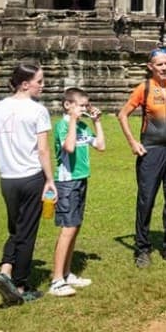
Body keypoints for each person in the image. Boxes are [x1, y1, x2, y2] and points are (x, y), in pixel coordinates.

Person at [0, 61, 55, 307]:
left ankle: (5, 271)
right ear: (25, 84)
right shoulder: (38, 110)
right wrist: (50, 180)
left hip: (7, 179)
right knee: (27, 233)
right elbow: (43, 150)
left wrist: (8, 143)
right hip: (31, 177)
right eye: (39, 81)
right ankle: (21, 286)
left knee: (16, 228)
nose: (43, 86)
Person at [118, 47, 166, 268]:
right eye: (160, 64)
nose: (164, 67)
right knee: (146, 200)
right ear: (150, 67)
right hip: (151, 150)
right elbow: (122, 115)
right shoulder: (144, 88)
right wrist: (133, 142)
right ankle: (142, 249)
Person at [48, 87, 106, 297]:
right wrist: (73, 120)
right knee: (68, 229)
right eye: (81, 106)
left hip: (81, 179)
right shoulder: (63, 125)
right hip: (67, 182)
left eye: (85, 106)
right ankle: (56, 280)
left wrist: (96, 122)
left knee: (75, 226)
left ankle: (66, 273)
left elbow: (100, 146)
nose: (84, 109)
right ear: (68, 105)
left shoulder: (82, 126)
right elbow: (69, 148)